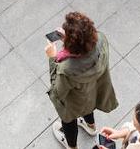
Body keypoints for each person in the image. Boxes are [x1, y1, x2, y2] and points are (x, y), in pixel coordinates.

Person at [47, 10, 117, 149]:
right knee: (88, 106)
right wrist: (71, 39)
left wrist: (52, 58)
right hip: (93, 92)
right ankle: (91, 127)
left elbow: (57, 93)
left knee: (68, 121)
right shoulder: (101, 39)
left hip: (74, 103)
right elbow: (86, 50)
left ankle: (72, 146)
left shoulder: (67, 68)